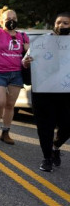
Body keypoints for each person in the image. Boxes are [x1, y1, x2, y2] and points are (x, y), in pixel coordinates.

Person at [24, 12, 70, 172]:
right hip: (44, 92)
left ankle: (55, 146)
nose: (61, 26)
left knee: (67, 125)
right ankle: (47, 158)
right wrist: (26, 62)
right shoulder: (42, 41)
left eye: (65, 23)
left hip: (66, 94)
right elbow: (27, 60)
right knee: (45, 127)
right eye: (59, 22)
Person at [0, 0, 30, 144]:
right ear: (1, 21)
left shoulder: (23, 36)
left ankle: (5, 132)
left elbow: (27, 56)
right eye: (8, 19)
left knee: (10, 104)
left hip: (16, 74)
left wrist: (28, 57)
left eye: (14, 19)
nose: (11, 21)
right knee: (0, 102)